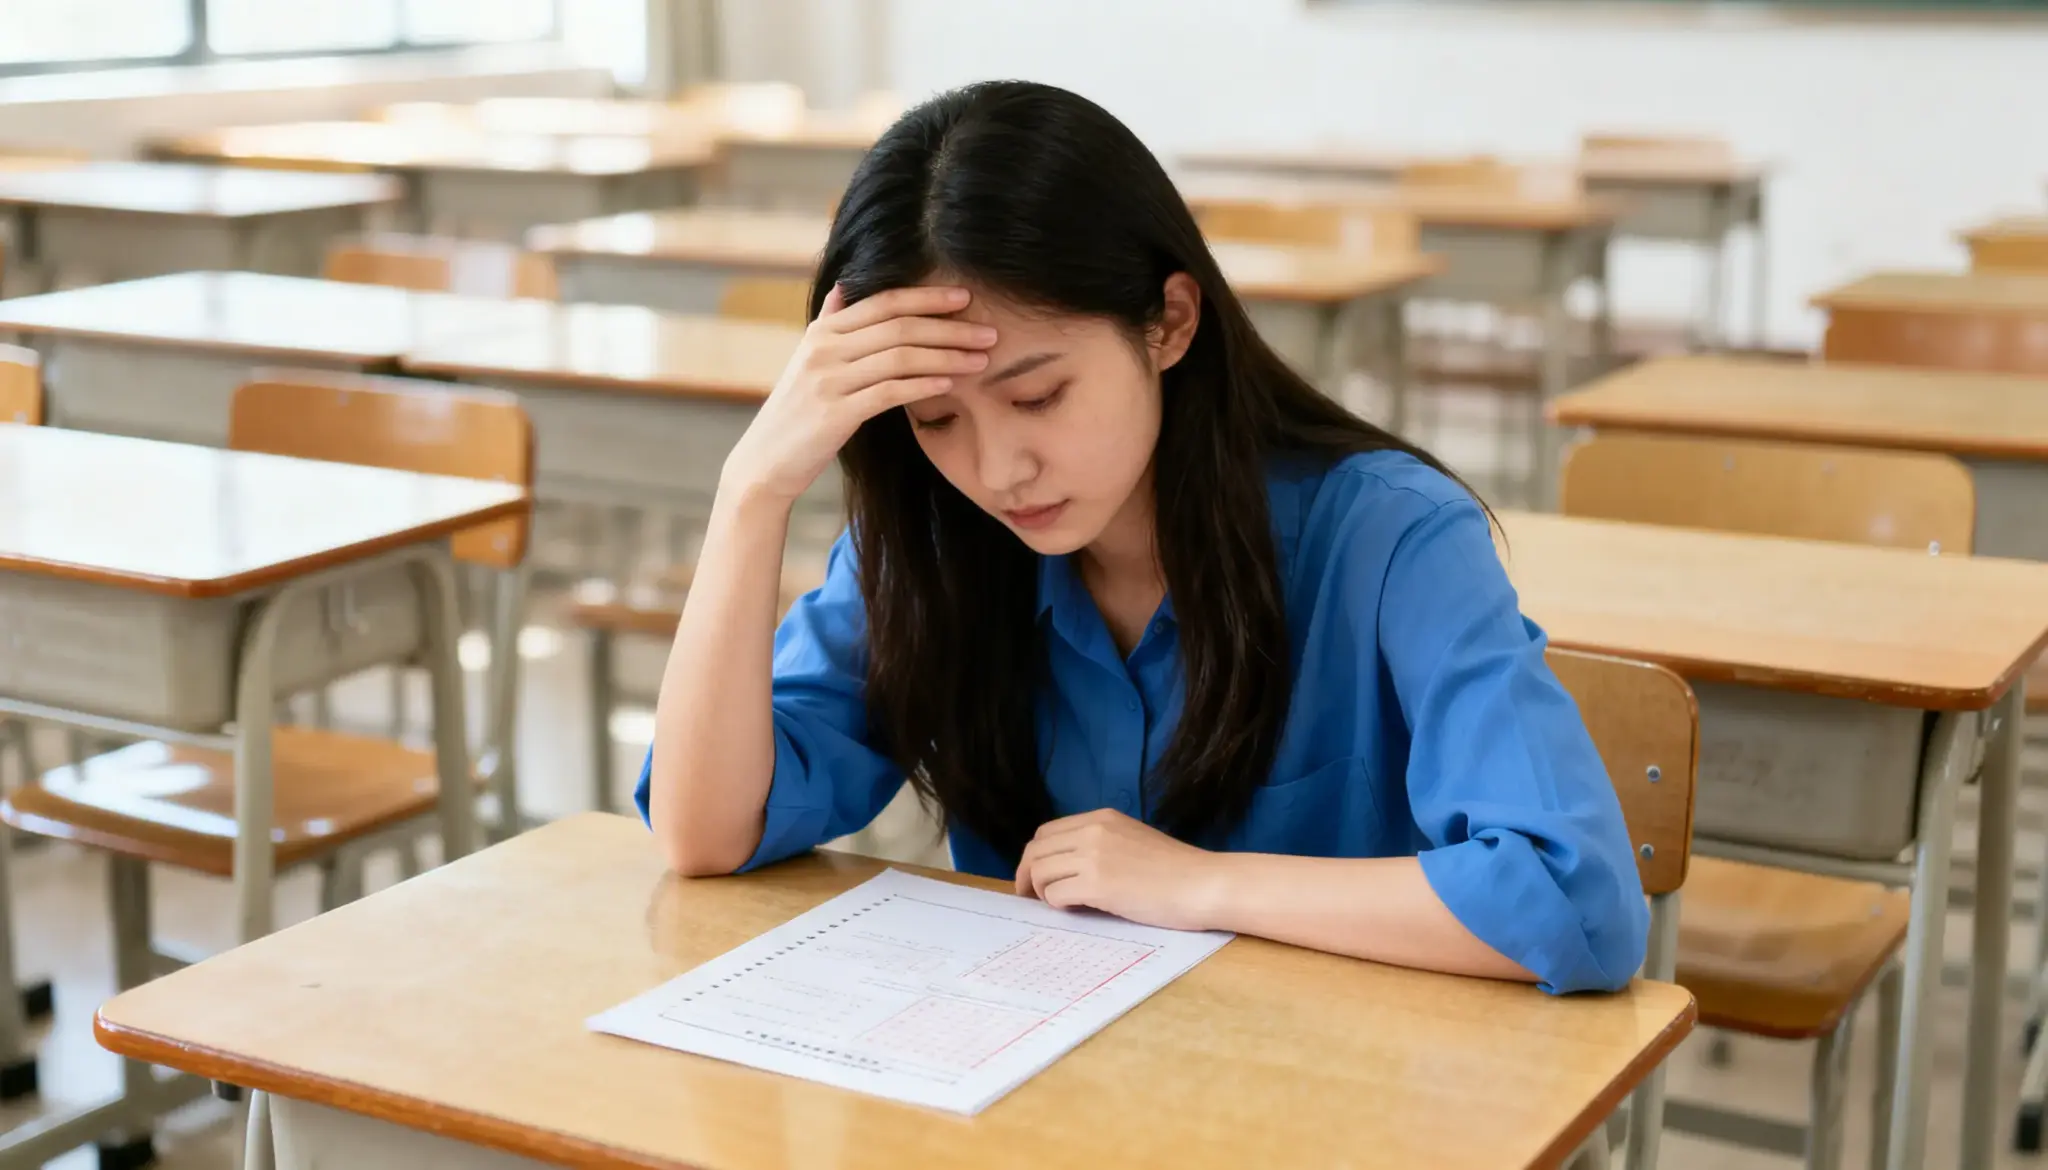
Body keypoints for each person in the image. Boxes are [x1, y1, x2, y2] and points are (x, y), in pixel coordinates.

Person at [637, 79, 1648, 995]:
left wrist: (1201, 886)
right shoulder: (935, 547)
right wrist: (750, 491)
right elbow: (703, 832)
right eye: (935, 420)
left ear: (1166, 322)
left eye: (1037, 395)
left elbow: (1576, 901)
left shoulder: (1386, 538)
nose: (998, 470)